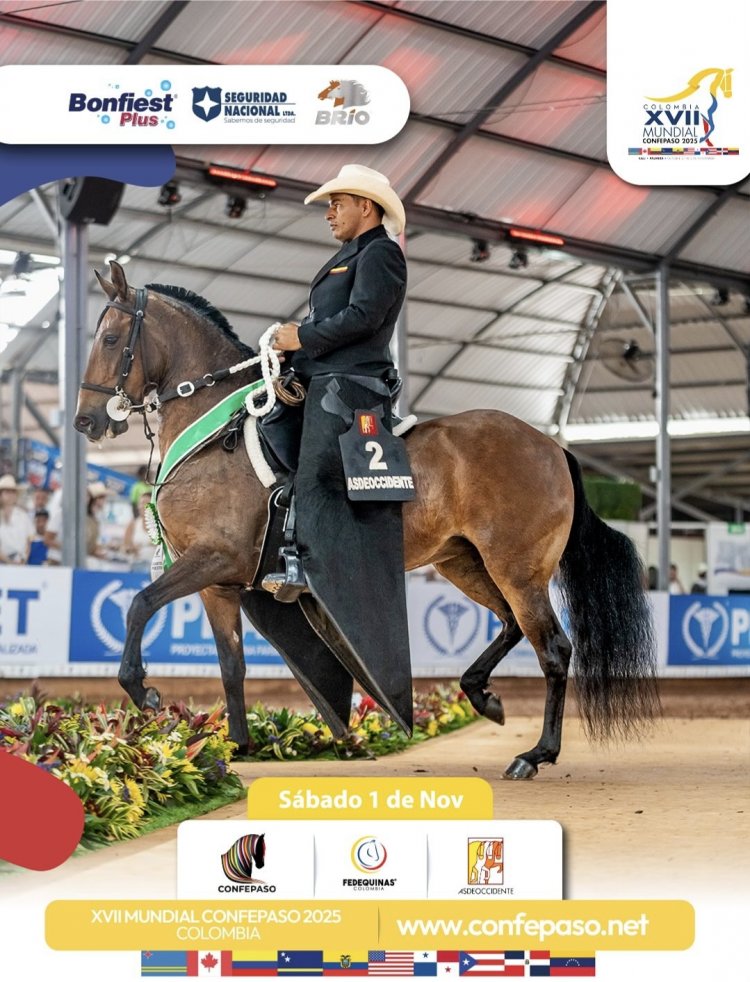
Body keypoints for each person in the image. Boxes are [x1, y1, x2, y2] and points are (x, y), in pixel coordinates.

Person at [262, 163, 407, 598]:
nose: (329, 213)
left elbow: (365, 317)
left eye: (337, 204)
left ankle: (304, 563)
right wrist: (293, 349)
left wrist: (303, 337)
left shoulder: (380, 253)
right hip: (323, 373)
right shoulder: (354, 255)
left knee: (313, 470)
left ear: (366, 207)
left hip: (351, 382)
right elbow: (336, 320)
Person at [0, 475, 33, 565]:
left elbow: (29, 541)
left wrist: (23, 560)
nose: (11, 495)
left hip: (20, 562)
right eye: (7, 492)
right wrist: (9, 561)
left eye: (13, 492)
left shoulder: (24, 516)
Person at [123, 491, 154, 572]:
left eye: (146, 503)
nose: (142, 506)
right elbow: (125, 548)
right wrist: (131, 549)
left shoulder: (160, 526)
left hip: (155, 567)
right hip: (137, 567)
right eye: (140, 503)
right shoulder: (132, 524)